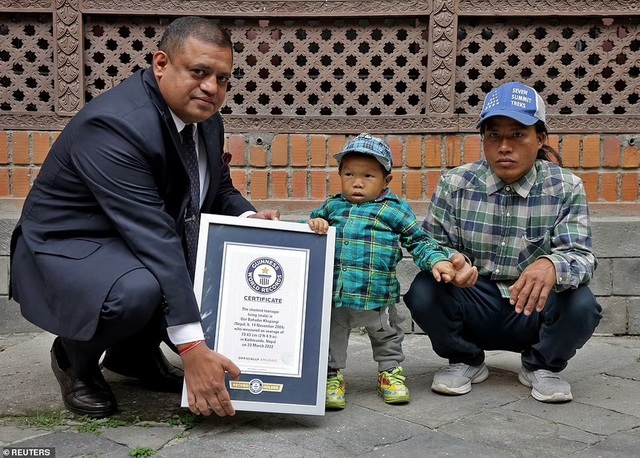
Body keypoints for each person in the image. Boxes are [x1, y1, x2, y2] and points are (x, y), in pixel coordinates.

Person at [9, 16, 280, 419]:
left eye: (223, 78)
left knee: (205, 260)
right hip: (68, 247)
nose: (212, 87)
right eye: (199, 72)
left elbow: (217, 188)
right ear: (160, 63)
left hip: (135, 241)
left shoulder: (204, 117)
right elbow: (155, 237)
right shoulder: (115, 125)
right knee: (139, 290)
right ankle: (74, 359)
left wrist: (250, 218)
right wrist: (192, 348)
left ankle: (132, 356)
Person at [403, 82, 602, 403]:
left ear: (540, 138)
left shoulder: (565, 187)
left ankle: (541, 365)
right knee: (424, 290)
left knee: (581, 303)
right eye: (494, 135)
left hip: (532, 308)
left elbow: (581, 256)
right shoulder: (456, 184)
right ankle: (466, 359)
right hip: (474, 301)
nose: (504, 146)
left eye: (517, 134)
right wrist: (450, 263)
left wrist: (552, 264)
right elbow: (432, 244)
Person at [307, 133, 457, 409]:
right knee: (331, 338)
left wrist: (437, 260)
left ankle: (390, 374)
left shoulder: (394, 211)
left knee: (387, 336)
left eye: (368, 176)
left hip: (378, 296)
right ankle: (331, 377)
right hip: (337, 295)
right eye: (349, 174)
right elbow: (311, 226)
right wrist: (316, 223)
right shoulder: (332, 206)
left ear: (386, 180)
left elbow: (418, 241)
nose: (358, 182)